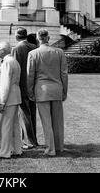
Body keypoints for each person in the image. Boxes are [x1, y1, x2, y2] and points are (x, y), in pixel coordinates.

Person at [27, 29, 68, 157]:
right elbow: (64, 74)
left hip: (41, 90)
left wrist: (30, 91)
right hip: (56, 89)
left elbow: (30, 75)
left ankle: (51, 149)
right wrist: (64, 90)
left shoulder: (33, 54)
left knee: (46, 121)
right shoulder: (59, 52)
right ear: (48, 38)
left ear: (38, 39)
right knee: (57, 121)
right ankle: (59, 146)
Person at [12, 27, 38, 150]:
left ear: (17, 36)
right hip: (33, 85)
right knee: (32, 113)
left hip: (22, 85)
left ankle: (28, 141)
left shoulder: (17, 49)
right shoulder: (34, 47)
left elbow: (16, 69)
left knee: (24, 114)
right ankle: (34, 139)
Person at [0, 41, 22, 159]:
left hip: (9, 96)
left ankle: (5, 151)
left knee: (5, 125)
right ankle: (17, 149)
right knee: (14, 124)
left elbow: (5, 84)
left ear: (2, 50)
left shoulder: (7, 62)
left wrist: (2, 101)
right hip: (15, 95)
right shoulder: (14, 61)